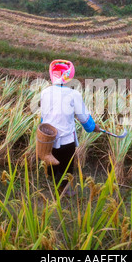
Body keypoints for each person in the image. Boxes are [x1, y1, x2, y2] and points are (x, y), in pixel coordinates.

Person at [40, 60, 100, 195]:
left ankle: (52, 181)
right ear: (69, 77)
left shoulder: (45, 92)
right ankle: (63, 190)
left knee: (51, 160)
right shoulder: (74, 95)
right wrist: (93, 127)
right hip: (66, 139)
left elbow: (43, 117)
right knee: (66, 165)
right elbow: (84, 118)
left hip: (47, 137)